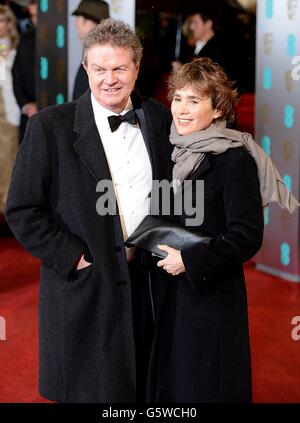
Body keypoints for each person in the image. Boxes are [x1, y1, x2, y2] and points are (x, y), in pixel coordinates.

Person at [6, 18, 173, 403]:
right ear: (86, 68)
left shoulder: (158, 118)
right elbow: (23, 209)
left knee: (147, 388)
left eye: (119, 68)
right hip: (85, 284)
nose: (109, 79)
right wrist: (75, 257)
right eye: (99, 69)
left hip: (148, 281)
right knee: (89, 390)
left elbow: (170, 191)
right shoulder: (50, 127)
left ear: (137, 67)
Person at [147, 58, 298, 402]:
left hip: (208, 296)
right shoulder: (170, 150)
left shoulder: (235, 159)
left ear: (217, 110)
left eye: (194, 101)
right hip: (166, 292)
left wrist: (190, 260)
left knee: (202, 385)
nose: (182, 110)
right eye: (178, 98)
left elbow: (246, 235)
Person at [0, 4, 20, 214]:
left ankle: (6, 206)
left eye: (3, 20)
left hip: (7, 109)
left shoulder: (11, 46)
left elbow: (3, 77)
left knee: (7, 158)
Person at [72, 0, 109, 100]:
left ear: (88, 23)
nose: (76, 24)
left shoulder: (100, 59)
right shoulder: (95, 55)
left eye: (78, 19)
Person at [12, 0, 37, 142]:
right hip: (19, 109)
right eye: (32, 16)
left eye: (2, 20)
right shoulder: (23, 39)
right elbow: (12, 74)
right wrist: (26, 105)